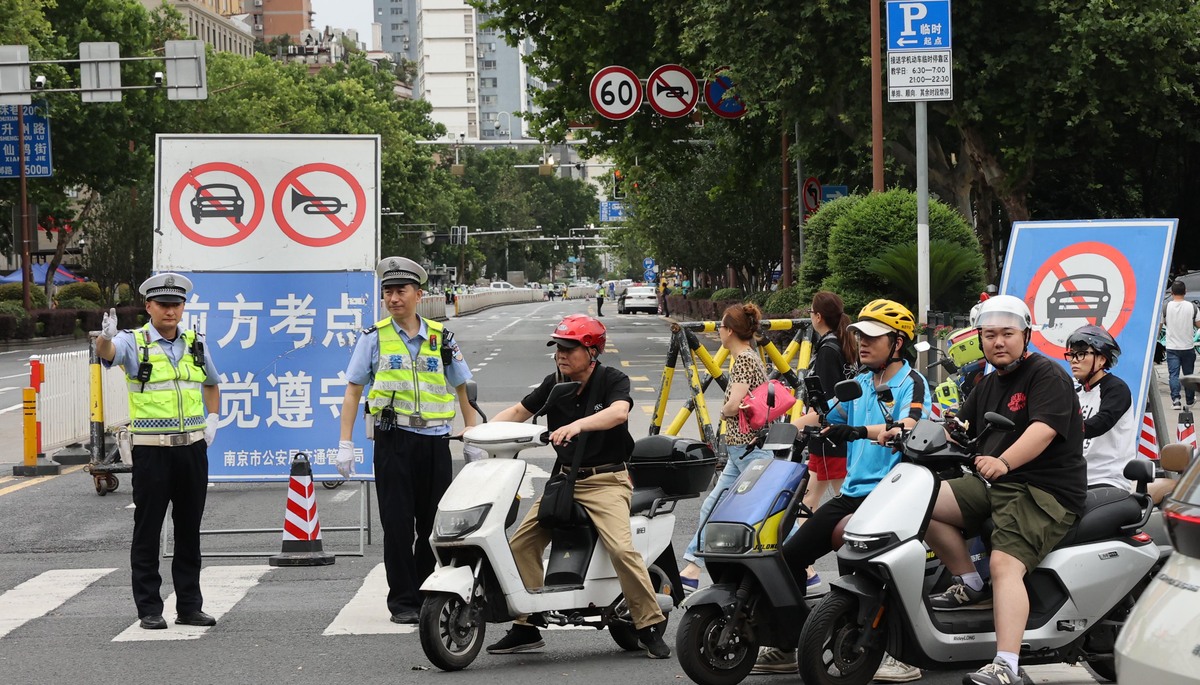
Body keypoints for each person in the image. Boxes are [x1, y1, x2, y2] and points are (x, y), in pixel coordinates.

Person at [753, 300, 928, 681]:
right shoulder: (862, 383)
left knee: (876, 569)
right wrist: (784, 428)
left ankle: (902, 654)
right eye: (859, 336)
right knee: (790, 554)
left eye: (872, 337)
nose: (861, 343)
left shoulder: (911, 382)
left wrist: (863, 432)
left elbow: (907, 426)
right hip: (853, 492)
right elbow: (828, 412)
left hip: (894, 495)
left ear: (897, 343)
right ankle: (788, 643)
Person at [484, 314, 671, 659]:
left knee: (621, 550)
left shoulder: (612, 379)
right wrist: (479, 432)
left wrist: (579, 425)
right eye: (558, 346)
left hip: (606, 480)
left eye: (570, 348)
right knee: (520, 544)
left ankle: (647, 624)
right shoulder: (554, 383)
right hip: (565, 479)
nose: (561, 354)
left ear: (593, 352)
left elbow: (618, 413)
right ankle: (527, 625)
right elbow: (518, 411)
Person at [923, 295, 1085, 685]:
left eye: (1008, 334)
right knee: (920, 503)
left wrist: (1004, 462)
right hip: (994, 483)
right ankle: (970, 583)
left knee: (1004, 564)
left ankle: (1005, 666)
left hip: (1043, 491)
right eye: (990, 334)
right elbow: (960, 426)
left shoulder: (1048, 375)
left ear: (1026, 335)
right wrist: (916, 435)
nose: (999, 342)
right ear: (979, 338)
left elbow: (1042, 430)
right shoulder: (986, 380)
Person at [336, 257, 477, 624]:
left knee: (433, 525)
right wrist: (345, 442)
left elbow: (463, 386)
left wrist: (472, 434)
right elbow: (353, 392)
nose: (394, 298)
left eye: (401, 291)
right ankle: (402, 601)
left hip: (434, 442)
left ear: (419, 294)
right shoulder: (374, 338)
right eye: (388, 291)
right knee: (397, 525)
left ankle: (425, 587)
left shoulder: (440, 336)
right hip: (393, 440)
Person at [96, 273, 221, 630]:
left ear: (183, 307)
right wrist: (104, 338)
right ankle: (149, 608)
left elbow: (212, 384)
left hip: (192, 450)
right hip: (152, 452)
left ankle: (190, 606)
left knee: (189, 531)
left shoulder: (196, 343)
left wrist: (212, 419)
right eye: (163, 304)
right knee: (148, 530)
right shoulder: (133, 342)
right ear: (149, 306)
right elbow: (109, 354)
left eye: (176, 304)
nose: (170, 310)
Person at [678, 304, 770, 592]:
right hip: (740, 449)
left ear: (730, 331)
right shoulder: (746, 356)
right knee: (715, 504)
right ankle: (692, 567)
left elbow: (735, 402)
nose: (718, 329)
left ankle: (806, 569)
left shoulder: (743, 359)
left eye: (721, 325)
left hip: (750, 448)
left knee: (772, 509)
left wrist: (725, 412)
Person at [797, 291, 856, 589]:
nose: (810, 315)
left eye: (811, 311)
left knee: (836, 500)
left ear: (818, 317)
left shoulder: (829, 349)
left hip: (828, 436)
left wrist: (801, 422)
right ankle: (806, 566)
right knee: (811, 497)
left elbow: (827, 402)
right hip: (838, 437)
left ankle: (806, 564)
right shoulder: (844, 343)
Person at [1066, 324, 1137, 490]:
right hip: (1074, 478)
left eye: (1081, 354)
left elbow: (1102, 422)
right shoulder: (1076, 391)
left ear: (1101, 359)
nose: (1074, 360)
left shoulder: (1116, 389)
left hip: (1108, 479)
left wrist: (1060, 429)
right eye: (1071, 355)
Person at [1162, 279, 1200, 410]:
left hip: (1172, 347)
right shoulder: (1193, 307)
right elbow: (1199, 324)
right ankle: (1189, 401)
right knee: (1188, 374)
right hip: (1188, 347)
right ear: (1185, 292)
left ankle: (1176, 400)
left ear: (1172, 293)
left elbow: (1160, 325)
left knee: (1173, 375)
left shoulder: (1166, 307)